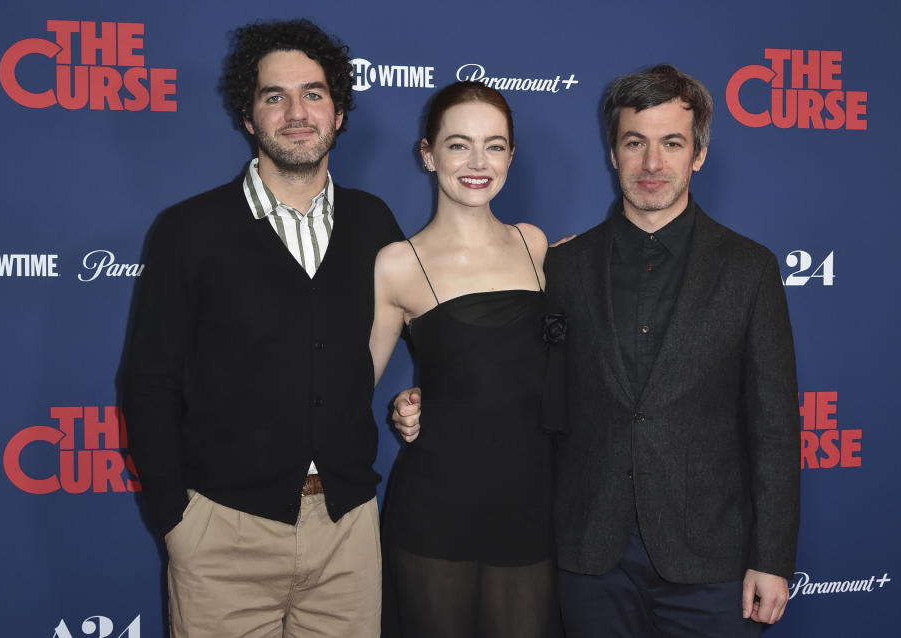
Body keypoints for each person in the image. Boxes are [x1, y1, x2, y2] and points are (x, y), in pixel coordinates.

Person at [394, 65, 800, 637]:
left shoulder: (748, 269)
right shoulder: (562, 266)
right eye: (635, 142)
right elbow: (502, 365)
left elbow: (776, 426)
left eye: (672, 144)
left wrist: (773, 558)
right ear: (613, 153)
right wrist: (425, 398)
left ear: (699, 154)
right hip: (588, 560)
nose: (652, 163)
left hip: (711, 562)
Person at [122, 19, 403, 638]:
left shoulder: (373, 222)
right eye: (274, 96)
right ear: (249, 117)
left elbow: (435, 328)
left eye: (313, 93)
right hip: (222, 533)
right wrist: (178, 521)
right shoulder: (188, 230)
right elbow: (148, 381)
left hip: (346, 532)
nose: (296, 112)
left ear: (339, 112)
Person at [369, 81, 559, 638]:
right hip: (436, 503)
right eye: (459, 145)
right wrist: (403, 403)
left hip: (529, 498)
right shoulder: (398, 264)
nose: (478, 162)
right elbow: (350, 387)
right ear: (428, 154)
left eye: (494, 145)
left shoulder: (535, 244)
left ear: (511, 156)